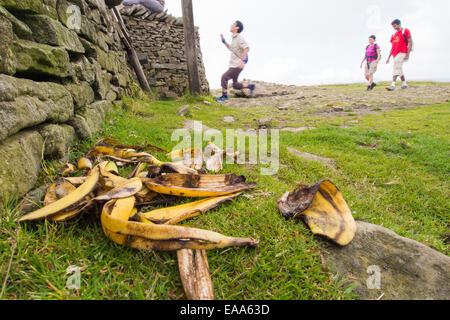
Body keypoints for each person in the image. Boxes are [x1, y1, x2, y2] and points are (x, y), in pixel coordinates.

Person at [216, 21, 256, 102]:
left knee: (224, 77)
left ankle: (224, 96)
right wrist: (224, 42)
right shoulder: (234, 38)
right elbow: (231, 48)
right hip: (234, 64)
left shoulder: (239, 38)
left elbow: (247, 48)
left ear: (237, 28)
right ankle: (250, 86)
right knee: (235, 85)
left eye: (233, 24)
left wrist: (243, 61)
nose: (231, 25)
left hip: (237, 65)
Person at [386, 19, 412, 91]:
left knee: (396, 66)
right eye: (393, 26)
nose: (394, 28)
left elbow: (410, 42)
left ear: (399, 24)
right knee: (399, 68)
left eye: (395, 26)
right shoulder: (393, 35)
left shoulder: (405, 31)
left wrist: (407, 54)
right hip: (395, 54)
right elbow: (392, 47)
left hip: (403, 52)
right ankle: (404, 84)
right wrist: (388, 57)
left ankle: (393, 85)